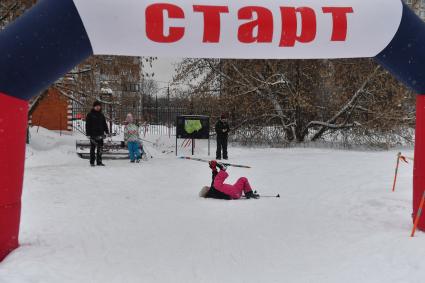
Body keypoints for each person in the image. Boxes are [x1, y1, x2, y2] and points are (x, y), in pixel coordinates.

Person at [86, 101, 109, 166]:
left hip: (100, 135)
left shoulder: (101, 115)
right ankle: (92, 162)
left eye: (99, 106)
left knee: (100, 149)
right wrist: (88, 134)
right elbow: (87, 125)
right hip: (93, 135)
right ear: (94, 107)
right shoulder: (90, 114)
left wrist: (107, 131)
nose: (98, 107)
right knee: (92, 149)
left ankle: (99, 162)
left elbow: (104, 124)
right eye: (96, 106)